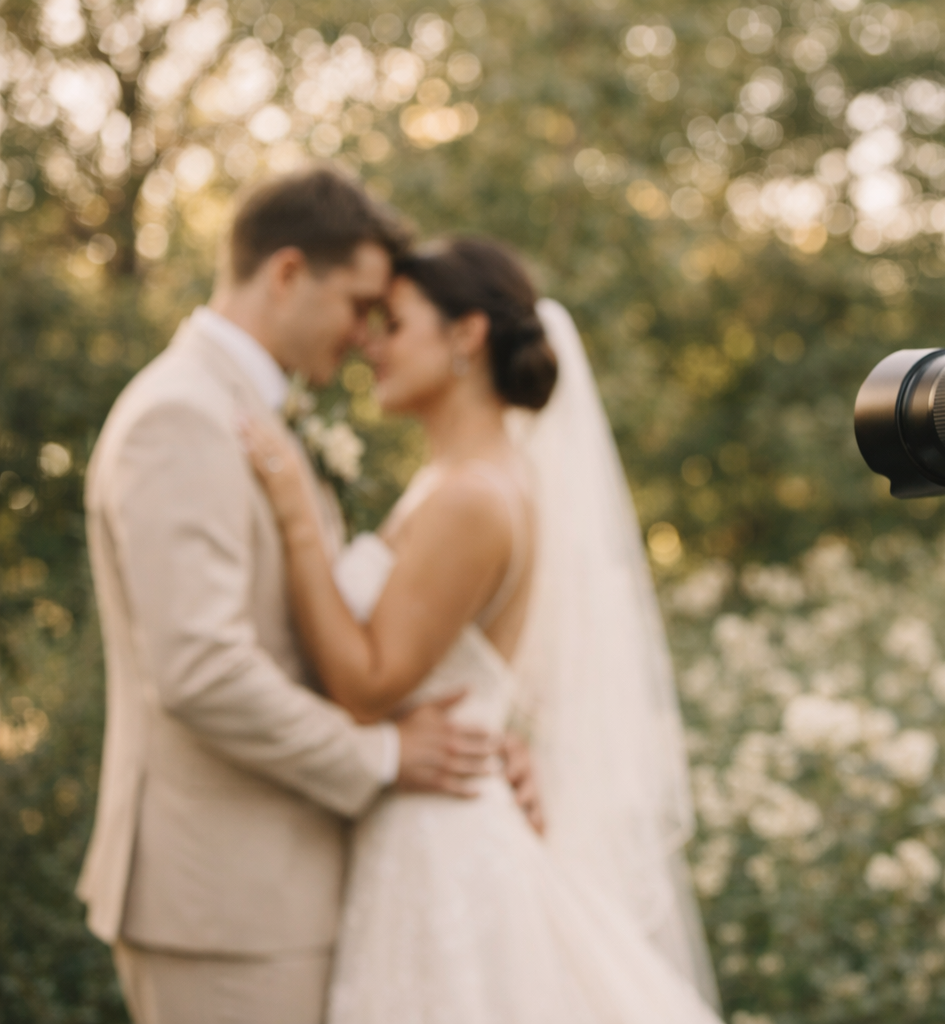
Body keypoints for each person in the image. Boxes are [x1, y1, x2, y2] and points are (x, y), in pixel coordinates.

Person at [80, 169, 540, 1024]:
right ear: (288, 273)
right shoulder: (181, 417)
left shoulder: (249, 414)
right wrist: (388, 757)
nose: (365, 336)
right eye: (360, 305)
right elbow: (201, 670)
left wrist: (479, 733)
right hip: (226, 901)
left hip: (285, 887)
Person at [240, 236, 721, 1023]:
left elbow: (367, 686)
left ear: (465, 335)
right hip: (425, 820)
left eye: (394, 324)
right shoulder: (457, 483)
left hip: (442, 842)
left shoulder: (472, 498)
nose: (370, 345)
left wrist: (297, 517)